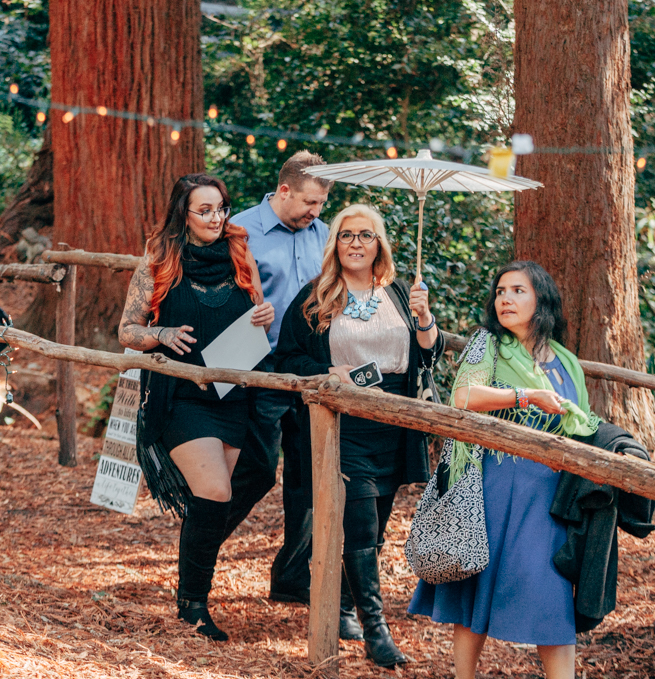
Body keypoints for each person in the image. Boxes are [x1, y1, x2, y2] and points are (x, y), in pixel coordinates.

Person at [408, 261, 601, 679]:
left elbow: (583, 422)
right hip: (494, 485)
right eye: (500, 292)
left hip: (550, 496)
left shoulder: (567, 361)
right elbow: (462, 396)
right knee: (475, 590)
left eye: (518, 291)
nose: (506, 299)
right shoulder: (487, 344)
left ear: (541, 300)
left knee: (552, 596)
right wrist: (524, 395)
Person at [275, 203, 443, 668]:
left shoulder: (398, 293)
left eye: (365, 235)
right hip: (344, 423)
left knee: (373, 528)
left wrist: (425, 320)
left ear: (379, 244)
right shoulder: (317, 296)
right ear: (335, 243)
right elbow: (286, 357)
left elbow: (427, 357)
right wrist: (329, 371)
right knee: (363, 523)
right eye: (346, 235)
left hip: (393, 422)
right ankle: (376, 629)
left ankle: (346, 607)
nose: (355, 243)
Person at [118, 173, 274, 642]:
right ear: (182, 214)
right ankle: (193, 604)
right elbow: (127, 331)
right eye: (203, 210)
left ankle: (191, 583)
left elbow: (257, 311)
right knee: (213, 492)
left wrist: (262, 315)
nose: (215, 218)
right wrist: (161, 335)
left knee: (213, 501)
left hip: (231, 393)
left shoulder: (239, 252)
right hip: (179, 395)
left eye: (221, 208)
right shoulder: (159, 258)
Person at [226, 150, 331, 605]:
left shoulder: (325, 235)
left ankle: (290, 577)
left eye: (322, 204)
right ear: (283, 190)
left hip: (310, 370)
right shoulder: (240, 231)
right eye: (309, 202)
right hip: (259, 366)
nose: (315, 212)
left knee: (309, 476)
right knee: (257, 469)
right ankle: (201, 542)